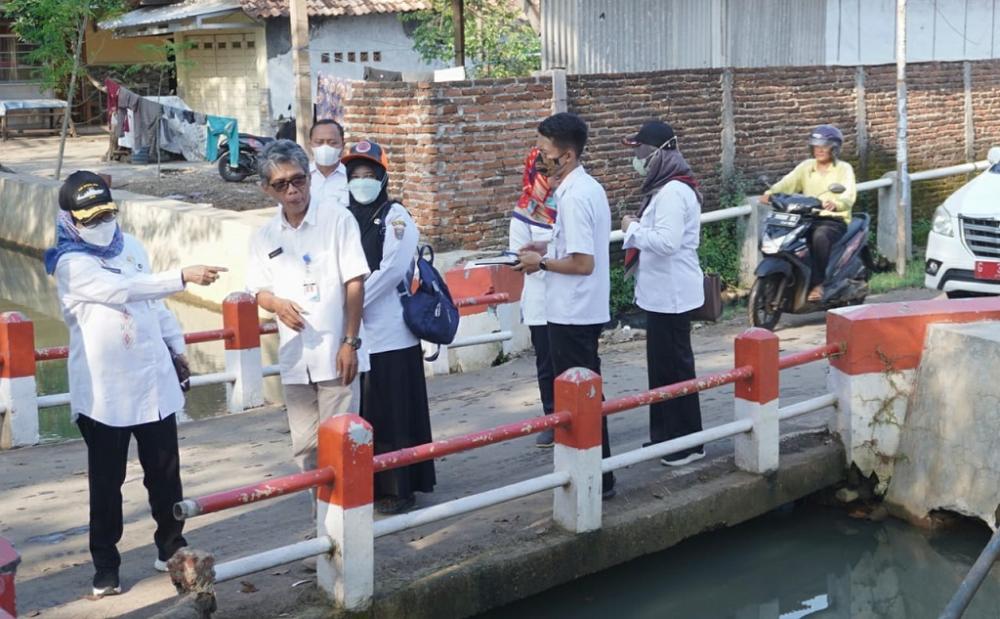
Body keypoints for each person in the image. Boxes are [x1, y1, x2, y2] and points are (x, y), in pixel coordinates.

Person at [47, 171, 225, 597]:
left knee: (165, 473)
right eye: (91, 219)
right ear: (71, 220)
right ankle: (106, 566)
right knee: (106, 484)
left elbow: (154, 303)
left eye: (107, 214)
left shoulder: (131, 246)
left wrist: (177, 348)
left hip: (153, 381)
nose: (102, 225)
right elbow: (123, 289)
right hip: (105, 393)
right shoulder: (70, 263)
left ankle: (171, 545)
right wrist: (182, 275)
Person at [246, 140, 369, 478]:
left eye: (298, 180)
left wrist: (350, 342)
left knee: (342, 443)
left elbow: (355, 283)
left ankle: (347, 513)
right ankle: (319, 509)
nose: (292, 191)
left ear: (309, 178)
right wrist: (276, 304)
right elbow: (258, 291)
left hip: (336, 353)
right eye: (281, 184)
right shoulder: (264, 236)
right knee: (305, 449)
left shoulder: (338, 220)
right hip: (295, 356)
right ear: (266, 189)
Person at [517, 112, 616, 499]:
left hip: (573, 312)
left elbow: (583, 262)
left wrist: (539, 262)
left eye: (545, 152)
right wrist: (545, 246)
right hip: (578, 308)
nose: (540, 159)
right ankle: (594, 475)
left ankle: (593, 479)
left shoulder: (575, 196)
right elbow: (576, 246)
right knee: (583, 394)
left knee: (580, 398)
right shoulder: (584, 188)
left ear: (568, 155)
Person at [342, 140, 435, 515]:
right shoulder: (344, 217)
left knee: (395, 412)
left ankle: (400, 487)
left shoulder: (396, 217)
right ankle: (370, 483)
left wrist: (353, 303)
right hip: (357, 333)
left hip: (391, 331)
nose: (361, 182)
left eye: (369, 174)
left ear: (382, 178)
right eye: (355, 175)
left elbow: (393, 269)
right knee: (368, 411)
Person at [621, 120, 706, 466]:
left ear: (659, 153)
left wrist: (633, 229)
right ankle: (664, 438)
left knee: (675, 369)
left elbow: (667, 243)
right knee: (661, 369)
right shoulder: (664, 188)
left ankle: (687, 443)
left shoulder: (672, 192)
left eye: (641, 150)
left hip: (672, 295)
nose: (637, 158)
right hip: (661, 294)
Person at [760, 125, 857, 301]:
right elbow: (787, 183)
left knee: (819, 237)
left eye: (824, 146)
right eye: (816, 146)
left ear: (834, 148)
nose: (819, 150)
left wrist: (835, 204)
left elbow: (848, 195)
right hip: (806, 217)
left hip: (832, 220)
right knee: (782, 235)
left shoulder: (844, 169)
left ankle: (817, 284)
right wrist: (770, 193)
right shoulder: (806, 166)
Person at [508, 147, 559, 447]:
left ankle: (591, 409)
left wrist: (548, 258)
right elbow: (519, 257)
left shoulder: (570, 200)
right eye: (541, 171)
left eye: (550, 170)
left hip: (574, 298)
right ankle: (553, 418)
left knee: (578, 359)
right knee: (547, 364)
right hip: (541, 300)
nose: (546, 178)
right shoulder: (523, 212)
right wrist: (549, 261)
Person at [308, 119, 348, 209]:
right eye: (319, 142)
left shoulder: (351, 178)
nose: (325, 147)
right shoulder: (300, 177)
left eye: (332, 143)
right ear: (310, 145)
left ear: (342, 146)